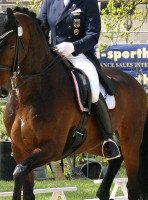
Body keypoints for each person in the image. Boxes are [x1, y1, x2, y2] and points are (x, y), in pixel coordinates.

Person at [39, 0, 120, 160]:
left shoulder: (87, 2)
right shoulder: (49, 2)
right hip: (53, 55)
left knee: (93, 89)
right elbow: (41, 28)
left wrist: (73, 47)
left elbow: (93, 35)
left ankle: (108, 139)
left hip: (79, 55)